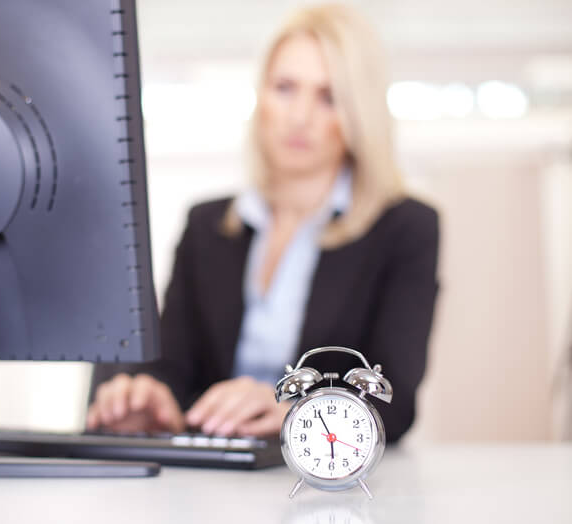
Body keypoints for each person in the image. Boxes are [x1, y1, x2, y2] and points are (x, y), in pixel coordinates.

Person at [86, 3, 439, 443]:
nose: (300, 116)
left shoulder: (405, 228)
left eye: (328, 97)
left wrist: (297, 404)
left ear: (358, 114)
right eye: (285, 88)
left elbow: (396, 398)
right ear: (261, 96)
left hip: (326, 472)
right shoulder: (206, 225)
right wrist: (149, 397)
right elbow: (174, 367)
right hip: (214, 480)